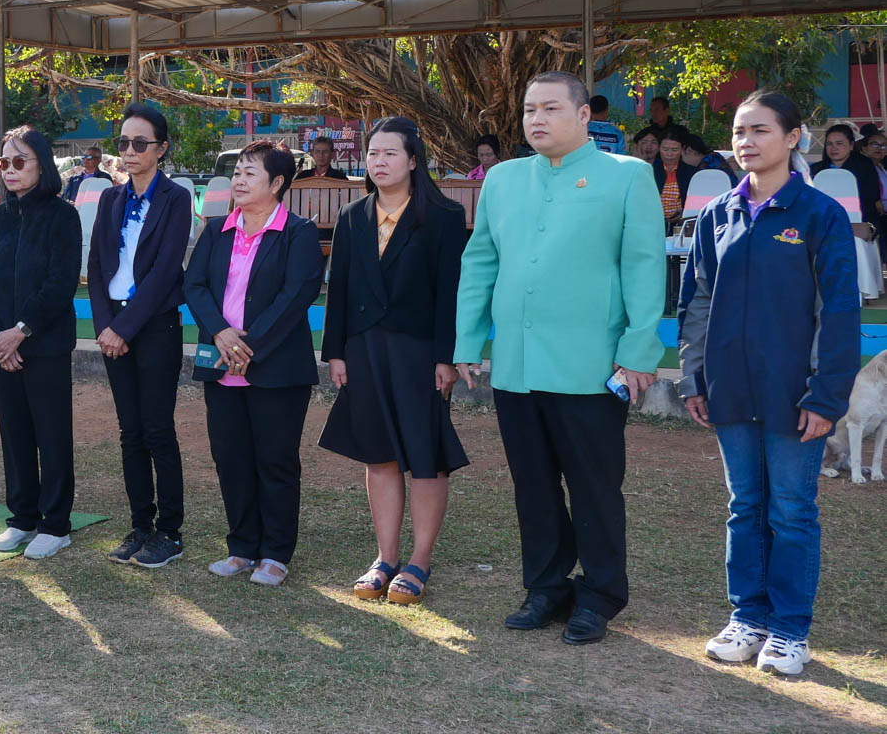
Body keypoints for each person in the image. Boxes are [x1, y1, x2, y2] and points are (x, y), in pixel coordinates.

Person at [453, 71, 665, 646]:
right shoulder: (503, 179)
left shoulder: (627, 175)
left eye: (550, 108)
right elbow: (480, 261)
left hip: (591, 366)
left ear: (584, 115)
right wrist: (467, 341)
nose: (537, 119)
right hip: (518, 364)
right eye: (529, 110)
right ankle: (546, 586)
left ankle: (599, 594)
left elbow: (644, 266)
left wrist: (638, 352)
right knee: (533, 484)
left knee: (595, 486)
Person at [679, 89, 860, 678]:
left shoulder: (820, 215)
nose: (746, 141)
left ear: (792, 138)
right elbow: (697, 301)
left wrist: (825, 395)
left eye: (760, 130)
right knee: (745, 507)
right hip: (730, 389)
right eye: (739, 131)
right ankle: (747, 619)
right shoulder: (718, 214)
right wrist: (694, 377)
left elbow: (839, 312)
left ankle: (788, 631)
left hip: (795, 395)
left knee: (791, 510)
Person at [320, 118, 469, 605]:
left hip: (419, 353)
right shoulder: (352, 216)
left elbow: (451, 293)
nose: (378, 162)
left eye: (389, 153)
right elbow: (339, 289)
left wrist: (446, 358)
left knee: (425, 455)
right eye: (372, 154)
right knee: (378, 453)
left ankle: (419, 560)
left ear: (412, 160)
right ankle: (385, 558)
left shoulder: (444, 216)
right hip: (363, 350)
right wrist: (335, 351)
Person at [184, 140, 323, 587]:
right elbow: (195, 285)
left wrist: (248, 347)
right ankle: (242, 547)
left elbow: (297, 293)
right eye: (237, 172)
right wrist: (221, 334)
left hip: (276, 369)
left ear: (277, 183)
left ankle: (275, 554)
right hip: (219, 361)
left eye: (250, 173)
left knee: (275, 461)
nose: (239, 180)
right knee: (231, 459)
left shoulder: (298, 233)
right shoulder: (217, 230)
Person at [88, 104, 193, 568]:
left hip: (155, 326)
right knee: (129, 432)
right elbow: (95, 266)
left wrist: (123, 328)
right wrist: (105, 328)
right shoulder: (110, 198)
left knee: (157, 429)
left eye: (139, 143)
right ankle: (140, 527)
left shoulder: (176, 199)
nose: (129, 152)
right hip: (114, 328)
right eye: (123, 143)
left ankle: (170, 532)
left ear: (161, 148)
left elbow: (166, 271)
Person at [0, 125, 82, 560]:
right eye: (4, 162)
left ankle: (55, 524)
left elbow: (60, 283)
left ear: (42, 165)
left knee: (52, 435)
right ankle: (22, 517)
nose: (10, 170)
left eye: (20, 161)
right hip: (2, 350)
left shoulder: (63, 216)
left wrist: (21, 330)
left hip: (45, 345)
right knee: (14, 434)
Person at [813, 123, 884, 240]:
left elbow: (871, 198)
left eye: (839, 143)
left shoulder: (864, 165)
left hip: (860, 223)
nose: (834, 148)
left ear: (851, 145)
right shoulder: (815, 170)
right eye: (829, 144)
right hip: (824, 225)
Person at [654, 134, 700, 230]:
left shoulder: (692, 173)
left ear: (682, 150)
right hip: (653, 222)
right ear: (659, 149)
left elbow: (697, 202)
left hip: (681, 225)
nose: (669, 154)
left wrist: (684, 213)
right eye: (665, 149)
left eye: (674, 150)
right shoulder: (650, 170)